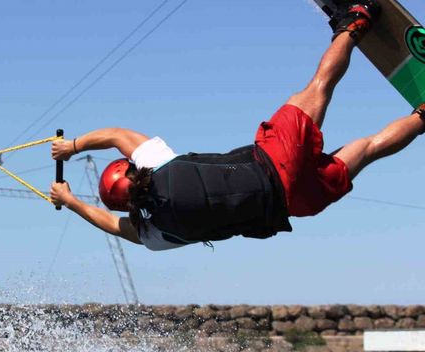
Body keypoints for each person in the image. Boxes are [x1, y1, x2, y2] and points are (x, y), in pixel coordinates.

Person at [49, 0, 425, 250]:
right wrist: (74, 146)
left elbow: (114, 227)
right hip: (275, 159)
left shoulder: (156, 234)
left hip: (291, 204)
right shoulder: (156, 165)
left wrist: (69, 201)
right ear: (129, 170)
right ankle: (356, 21)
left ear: (125, 204)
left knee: (371, 148)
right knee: (316, 89)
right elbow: (117, 134)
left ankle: (422, 117)